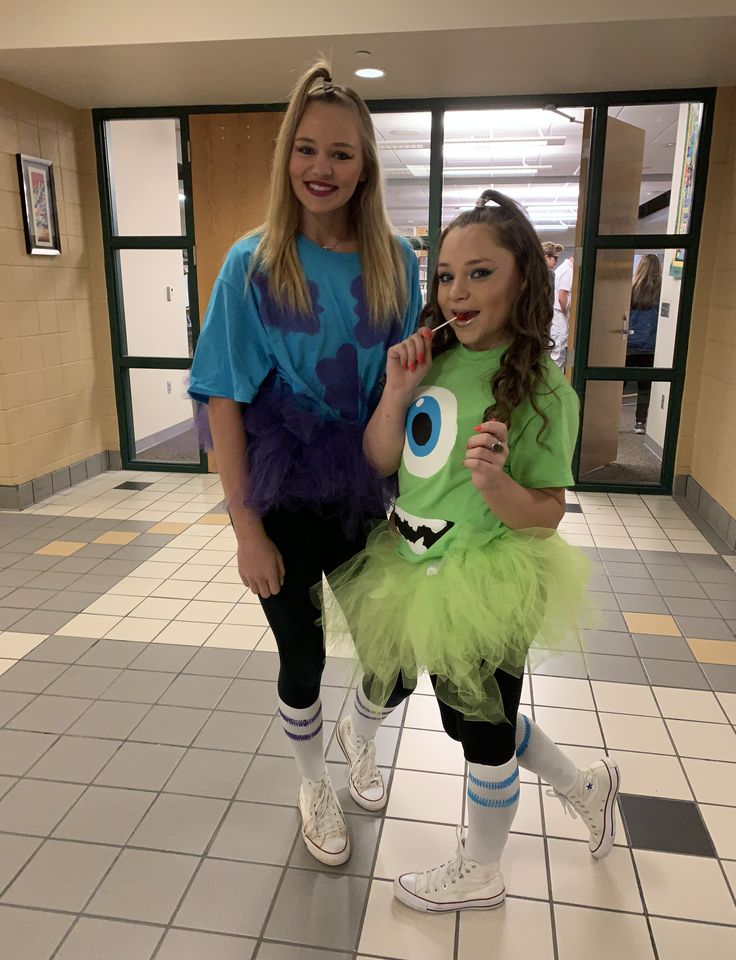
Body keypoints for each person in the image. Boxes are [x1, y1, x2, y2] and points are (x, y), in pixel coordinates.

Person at [321, 190, 620, 913]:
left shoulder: (545, 391)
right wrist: (395, 392)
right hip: (412, 563)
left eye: (480, 273)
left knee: (481, 729)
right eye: (447, 275)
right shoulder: (433, 359)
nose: (458, 290)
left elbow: (545, 516)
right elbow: (380, 454)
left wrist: (495, 482)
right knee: (452, 704)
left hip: (488, 574)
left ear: (524, 280)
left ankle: (482, 868)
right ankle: (583, 785)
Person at [188, 60, 422, 867]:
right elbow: (222, 397)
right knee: (304, 657)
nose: (322, 169)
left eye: (342, 154)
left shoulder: (398, 259)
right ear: (288, 155)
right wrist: (244, 529)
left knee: (394, 659)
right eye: (307, 149)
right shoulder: (250, 264)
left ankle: (362, 732)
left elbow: (414, 382)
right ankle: (312, 779)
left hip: (367, 480)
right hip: (281, 484)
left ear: (366, 167)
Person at [626, 254, 662, 435]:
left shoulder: (631, 289)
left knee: (618, 385)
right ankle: (640, 423)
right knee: (645, 388)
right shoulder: (662, 292)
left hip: (629, 345)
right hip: (650, 347)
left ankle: (606, 422)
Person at [551, 251, 574, 370]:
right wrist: (570, 316)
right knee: (558, 357)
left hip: (555, 317)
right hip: (560, 316)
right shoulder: (568, 271)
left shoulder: (561, 268)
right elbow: (562, 297)